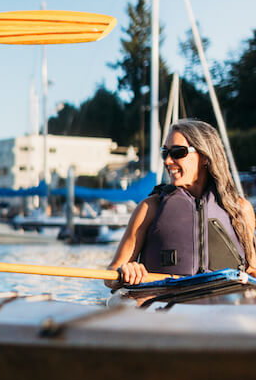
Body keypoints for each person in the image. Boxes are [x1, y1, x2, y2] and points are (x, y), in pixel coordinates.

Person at [107, 119, 256, 287]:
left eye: (178, 152)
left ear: (205, 157)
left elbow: (253, 270)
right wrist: (126, 271)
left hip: (225, 304)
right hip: (164, 302)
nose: (167, 161)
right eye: (165, 153)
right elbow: (110, 276)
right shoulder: (149, 208)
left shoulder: (241, 209)